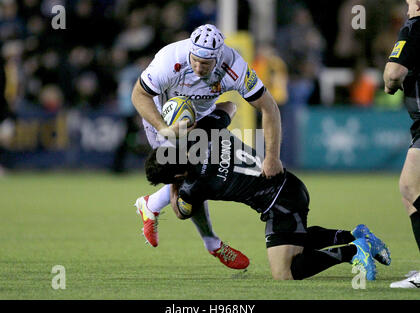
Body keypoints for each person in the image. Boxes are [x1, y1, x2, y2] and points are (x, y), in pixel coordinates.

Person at [144, 106, 391, 280]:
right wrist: (192, 124)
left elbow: (181, 212)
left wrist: (175, 186)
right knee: (295, 239)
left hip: (279, 203)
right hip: (289, 184)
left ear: (176, 178)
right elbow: (229, 107)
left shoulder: (193, 187)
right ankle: (357, 235)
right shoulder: (204, 134)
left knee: (285, 272)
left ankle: (354, 251)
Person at [131, 24, 282, 269]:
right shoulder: (169, 61)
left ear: (218, 57)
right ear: (189, 51)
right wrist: (163, 128)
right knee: (187, 200)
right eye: (196, 60)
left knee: (229, 109)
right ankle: (212, 243)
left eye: (206, 63)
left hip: (199, 117)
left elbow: (269, 107)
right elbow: (138, 95)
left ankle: (151, 205)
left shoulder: (234, 66)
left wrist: (272, 157)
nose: (199, 67)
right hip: (165, 122)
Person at [383, 0, 420, 288]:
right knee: (410, 193)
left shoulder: (415, 27)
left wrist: (388, 84)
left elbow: (394, 73)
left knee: (410, 186)